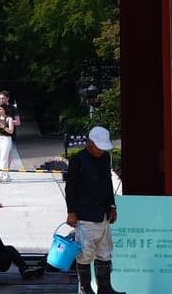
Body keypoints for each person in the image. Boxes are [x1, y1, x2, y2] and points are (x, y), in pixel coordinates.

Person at [63, 125, 126, 294]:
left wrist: (112, 206)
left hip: (103, 212)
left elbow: (107, 184)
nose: (101, 151)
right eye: (99, 147)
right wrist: (71, 211)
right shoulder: (78, 160)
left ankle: (105, 288)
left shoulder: (105, 158)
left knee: (105, 252)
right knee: (85, 253)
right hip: (84, 214)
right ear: (89, 143)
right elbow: (71, 188)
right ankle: (85, 288)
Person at [0, 90, 22, 172]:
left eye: (3, 98)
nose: (1, 100)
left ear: (8, 98)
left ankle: (6, 171)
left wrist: (7, 121)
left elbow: (18, 122)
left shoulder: (13, 108)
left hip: (8, 134)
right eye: (0, 98)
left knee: (7, 154)